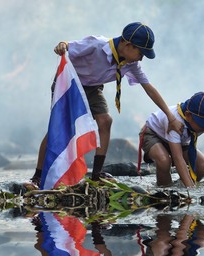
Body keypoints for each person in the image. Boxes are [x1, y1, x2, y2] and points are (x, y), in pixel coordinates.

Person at [30, 22, 183, 187]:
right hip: (69, 84)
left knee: (105, 121)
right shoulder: (97, 44)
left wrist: (170, 116)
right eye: (141, 52)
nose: (141, 58)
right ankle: (37, 176)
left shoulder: (131, 64)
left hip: (92, 88)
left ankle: (96, 174)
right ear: (127, 44)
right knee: (59, 128)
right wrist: (62, 45)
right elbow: (68, 45)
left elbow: (150, 89)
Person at [139, 91, 204, 188]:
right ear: (188, 115)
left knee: (203, 166)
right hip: (153, 134)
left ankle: (180, 185)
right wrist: (191, 189)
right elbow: (178, 157)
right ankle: (164, 190)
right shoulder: (176, 122)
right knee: (164, 160)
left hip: (179, 141)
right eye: (202, 125)